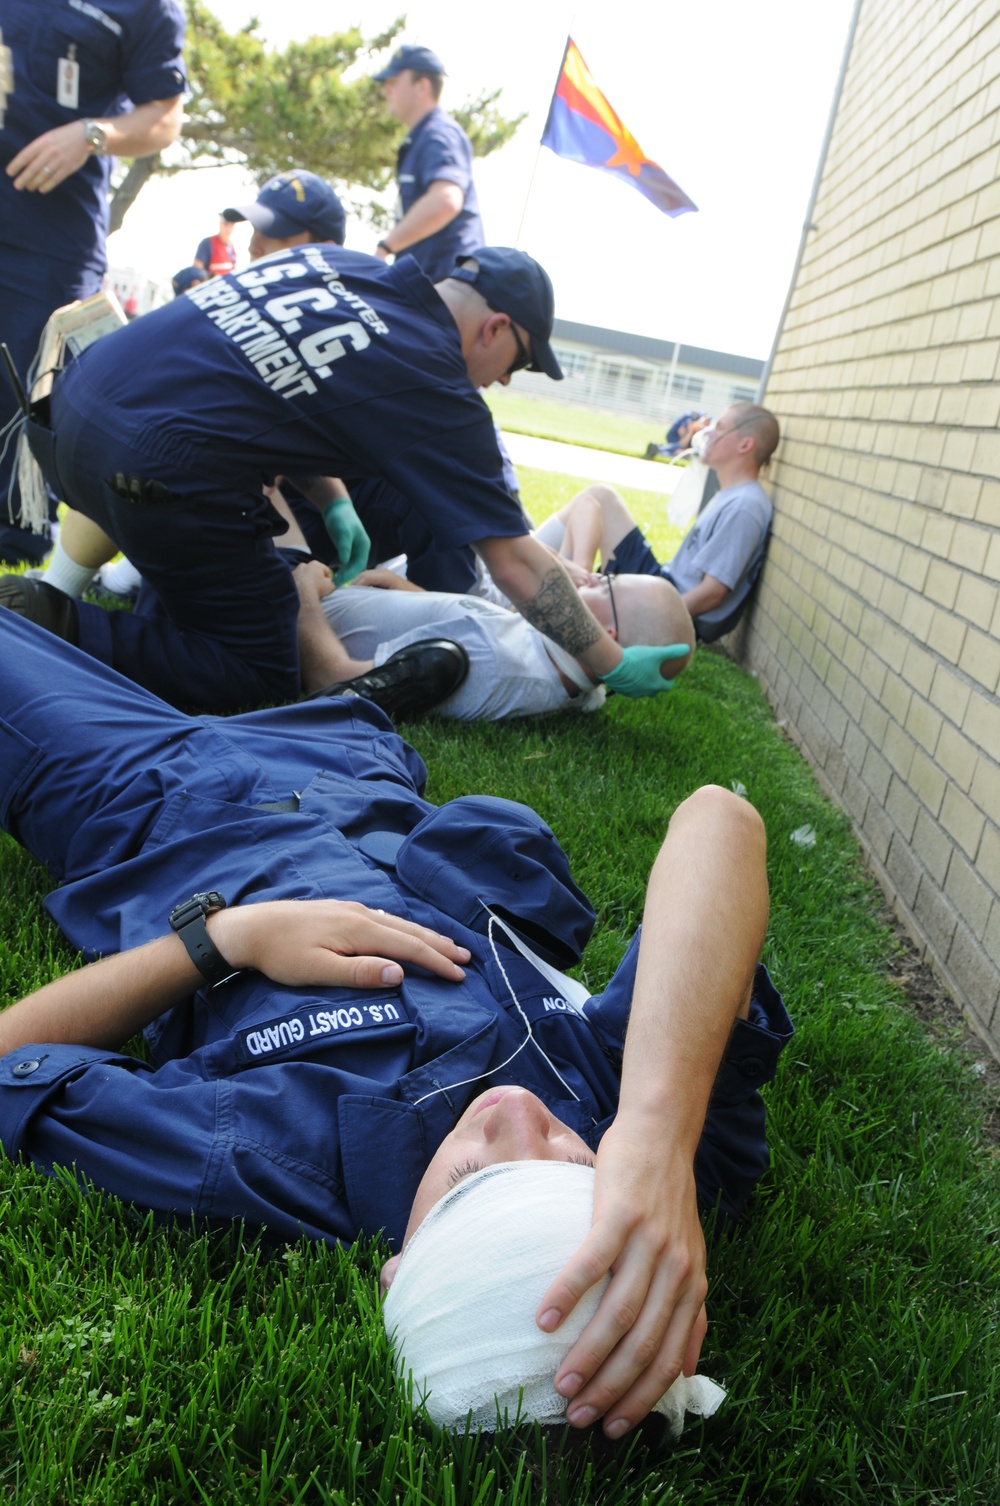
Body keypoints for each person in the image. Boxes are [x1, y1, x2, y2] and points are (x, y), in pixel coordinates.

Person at [0, 610, 792, 1440]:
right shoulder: (644, 1142)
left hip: (169, 805)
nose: (521, 1120)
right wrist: (656, 1141)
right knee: (251, 626)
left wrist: (227, 939)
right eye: (570, 1169)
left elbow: (16, 1060)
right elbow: (718, 822)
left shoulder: (274, 1157)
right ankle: (335, 683)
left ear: (396, 1271)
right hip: (359, 765)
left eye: (471, 1182)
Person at [0, 245, 683, 711]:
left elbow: (274, 379)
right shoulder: (437, 380)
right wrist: (611, 662)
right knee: (259, 670)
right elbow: (514, 563)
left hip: (65, 416)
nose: (505, 379)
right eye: (520, 362)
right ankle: (51, 621)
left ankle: (98, 602)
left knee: (231, 593)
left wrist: (333, 500)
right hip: (155, 469)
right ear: (495, 327)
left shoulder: (337, 265)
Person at [0, 0, 186, 566]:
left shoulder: (150, 9)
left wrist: (90, 134)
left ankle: (17, 538)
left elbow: (165, 117)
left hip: (50, 234)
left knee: (26, 395)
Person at [292, 557, 695, 720]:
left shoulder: (487, 656)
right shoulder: (577, 684)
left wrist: (303, 594)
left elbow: (333, 680)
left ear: (607, 635)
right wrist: (409, 591)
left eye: (604, 582)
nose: (587, 577)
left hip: (286, 628)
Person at [558, 405, 778, 642]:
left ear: (745, 445)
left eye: (720, 427)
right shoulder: (731, 495)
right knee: (593, 501)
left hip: (667, 601)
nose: (709, 432)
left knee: (600, 498)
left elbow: (713, 594)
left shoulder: (744, 506)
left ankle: (568, 596)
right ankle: (569, 588)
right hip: (664, 585)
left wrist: (655, 622)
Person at [373, 45, 484, 283]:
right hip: (433, 284)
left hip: (449, 285)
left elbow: (446, 200)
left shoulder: (438, 135)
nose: (386, 90)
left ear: (422, 86)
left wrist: (385, 248)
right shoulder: (423, 136)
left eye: (393, 81)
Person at [644, 410, 709, 461]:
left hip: (692, 453)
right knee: (677, 449)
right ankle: (659, 449)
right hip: (683, 448)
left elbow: (698, 449)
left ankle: (659, 449)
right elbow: (682, 443)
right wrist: (690, 431)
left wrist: (684, 451)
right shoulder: (690, 427)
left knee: (678, 452)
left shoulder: (703, 432)